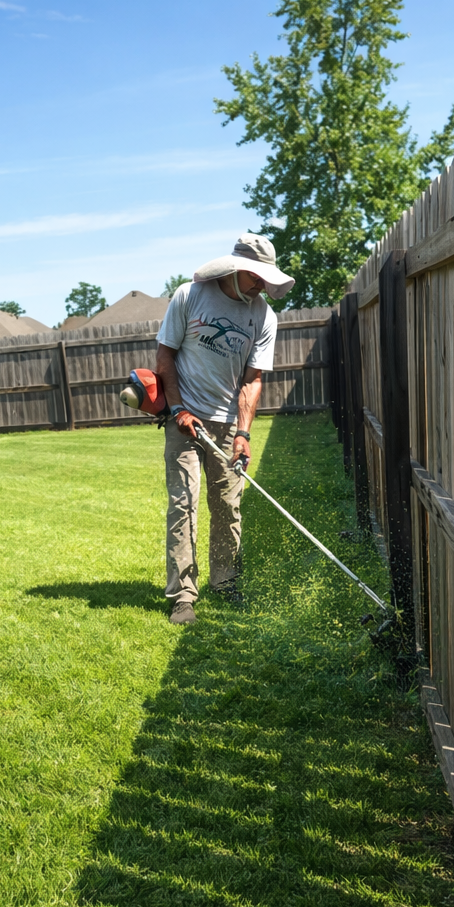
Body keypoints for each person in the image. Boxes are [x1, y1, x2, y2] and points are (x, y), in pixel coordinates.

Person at [155, 233, 295, 625]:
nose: (262, 285)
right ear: (236, 269)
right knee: (184, 504)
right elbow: (165, 355)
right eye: (257, 276)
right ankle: (183, 596)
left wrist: (243, 434)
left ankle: (226, 583)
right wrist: (178, 409)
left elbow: (252, 380)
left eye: (267, 278)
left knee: (227, 506)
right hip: (183, 420)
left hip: (227, 422)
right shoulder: (190, 295)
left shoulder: (264, 316)